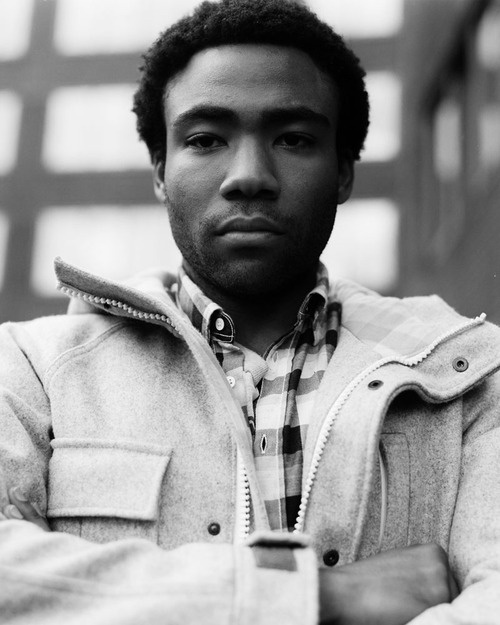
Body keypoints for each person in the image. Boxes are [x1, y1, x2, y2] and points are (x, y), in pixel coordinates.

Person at [0, 0, 499, 623]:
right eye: (206, 139)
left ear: (344, 171)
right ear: (161, 170)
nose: (249, 176)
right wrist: (315, 596)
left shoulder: (467, 377)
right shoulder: (33, 369)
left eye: (293, 139)